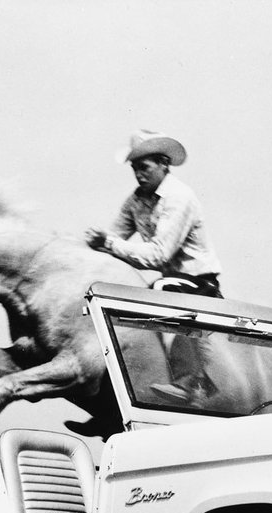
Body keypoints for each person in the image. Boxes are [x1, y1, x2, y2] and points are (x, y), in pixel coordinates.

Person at [86, 130, 223, 402]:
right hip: (173, 281)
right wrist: (96, 246)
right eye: (135, 169)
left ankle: (191, 382)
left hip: (199, 284)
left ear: (164, 164)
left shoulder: (179, 197)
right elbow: (114, 237)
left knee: (160, 289)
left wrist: (109, 243)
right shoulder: (136, 200)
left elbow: (158, 255)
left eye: (144, 167)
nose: (139, 174)